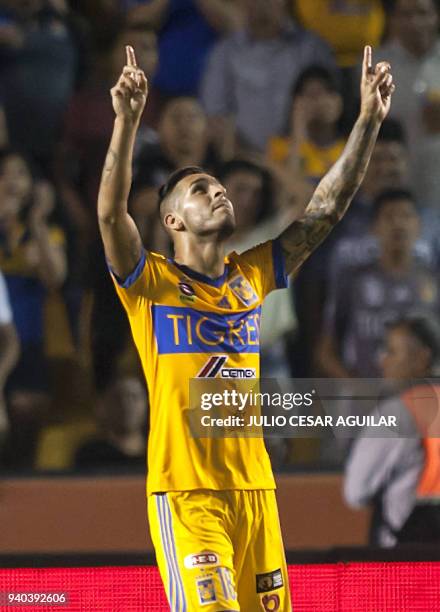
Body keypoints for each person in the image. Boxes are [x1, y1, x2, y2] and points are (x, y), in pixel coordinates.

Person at [97, 44, 394, 610]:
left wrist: (366, 123)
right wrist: (128, 122)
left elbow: (325, 209)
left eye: (221, 185)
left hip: (256, 490)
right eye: (201, 188)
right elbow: (111, 216)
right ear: (172, 220)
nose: (219, 191)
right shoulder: (148, 282)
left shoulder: (251, 275)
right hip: (187, 491)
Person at [318, 189, 438, 378]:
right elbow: (325, 352)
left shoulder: (433, 281)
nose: (398, 224)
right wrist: (353, 387)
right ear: (373, 227)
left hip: (419, 398)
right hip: (365, 398)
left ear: (419, 226)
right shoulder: (353, 280)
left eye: (406, 216)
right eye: (389, 217)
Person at [344, 316, 440, 546]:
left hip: (405, 555)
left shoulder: (395, 413)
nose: (382, 361)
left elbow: (356, 491)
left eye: (391, 351)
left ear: (422, 358)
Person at [200, 0, 334, 156]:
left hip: (307, 159)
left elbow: (330, 109)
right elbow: (215, 116)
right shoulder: (224, 53)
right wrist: (249, 161)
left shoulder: (312, 48)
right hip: (244, 163)